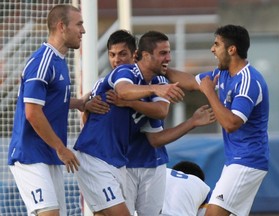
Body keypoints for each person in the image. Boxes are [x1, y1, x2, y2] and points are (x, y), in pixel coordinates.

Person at [73, 30, 184, 216]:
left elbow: (157, 126)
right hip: (97, 158)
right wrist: (87, 105)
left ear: (134, 55)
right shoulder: (125, 74)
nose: (117, 60)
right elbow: (122, 92)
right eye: (112, 54)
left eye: (122, 54)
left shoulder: (151, 83)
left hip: (120, 162)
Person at [165, 24, 269, 216]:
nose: (212, 49)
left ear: (232, 49)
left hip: (247, 160)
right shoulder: (222, 74)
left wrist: (210, 93)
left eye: (216, 44)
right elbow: (190, 81)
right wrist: (160, 69)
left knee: (212, 214)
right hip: (236, 160)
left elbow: (231, 124)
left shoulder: (248, 81)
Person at [7, 4, 87, 216]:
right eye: (79, 24)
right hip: (30, 154)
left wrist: (78, 103)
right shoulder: (42, 61)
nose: (83, 30)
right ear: (62, 26)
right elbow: (32, 112)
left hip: (49, 154)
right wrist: (62, 148)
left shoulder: (59, 61)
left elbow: (50, 100)